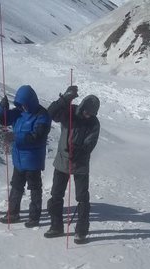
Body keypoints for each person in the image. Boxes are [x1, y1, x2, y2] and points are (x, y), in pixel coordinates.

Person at [44, 85, 100, 244]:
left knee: (82, 198)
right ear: (82, 107)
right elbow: (50, 113)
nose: (88, 115)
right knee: (56, 194)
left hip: (80, 164)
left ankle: (81, 231)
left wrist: (78, 151)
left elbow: (90, 144)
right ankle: (56, 226)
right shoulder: (70, 113)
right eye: (87, 111)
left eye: (92, 113)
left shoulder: (94, 123)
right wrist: (65, 99)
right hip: (62, 160)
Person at [0, 85, 51, 227]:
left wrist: (15, 137)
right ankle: (13, 213)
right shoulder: (19, 112)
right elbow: (4, 119)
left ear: (31, 101)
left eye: (25, 104)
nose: (23, 107)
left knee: (35, 188)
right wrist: (2, 108)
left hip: (33, 160)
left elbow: (37, 137)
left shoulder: (42, 115)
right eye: (21, 104)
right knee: (16, 186)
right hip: (19, 159)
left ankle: (34, 217)